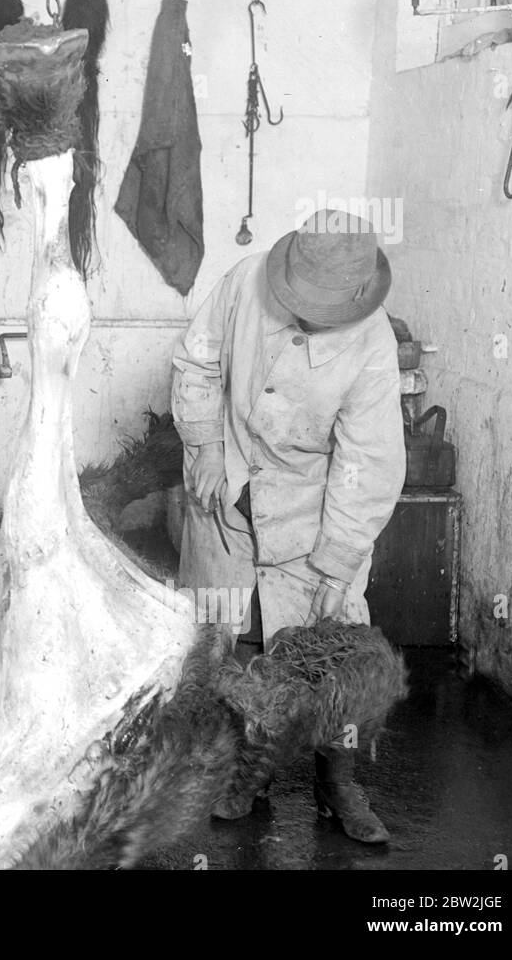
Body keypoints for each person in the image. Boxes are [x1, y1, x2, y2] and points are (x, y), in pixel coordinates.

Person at [171, 210, 406, 843]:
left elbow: (369, 460)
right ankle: (249, 767)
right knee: (229, 633)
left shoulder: (373, 343)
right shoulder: (244, 282)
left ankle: (339, 780)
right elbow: (196, 365)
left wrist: (339, 556)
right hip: (234, 472)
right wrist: (206, 447)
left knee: (334, 649)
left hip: (316, 497)